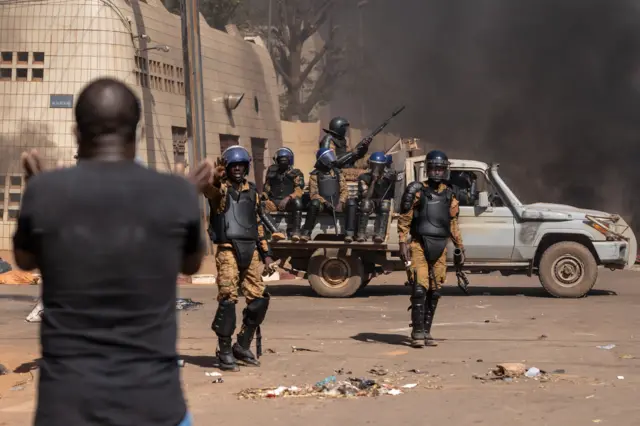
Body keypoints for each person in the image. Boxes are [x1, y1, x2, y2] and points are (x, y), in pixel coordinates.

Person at [14, 77, 211, 426]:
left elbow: (25, 261)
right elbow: (191, 263)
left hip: (66, 409)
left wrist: (41, 191)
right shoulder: (174, 195)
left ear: (77, 132)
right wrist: (184, 197)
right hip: (154, 407)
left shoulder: (45, 193)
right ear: (137, 131)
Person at [202, 145, 275, 372]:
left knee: (259, 299)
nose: (237, 170)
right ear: (228, 168)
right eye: (233, 166)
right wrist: (215, 177)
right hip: (227, 250)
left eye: (241, 166)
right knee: (228, 298)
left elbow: (257, 225)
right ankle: (224, 351)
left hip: (250, 248)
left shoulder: (252, 192)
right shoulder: (219, 191)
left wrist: (267, 255)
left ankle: (242, 345)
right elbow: (209, 189)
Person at [397, 150, 465, 348]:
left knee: (435, 291)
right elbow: (405, 219)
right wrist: (403, 242)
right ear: (427, 169)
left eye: (440, 168)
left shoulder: (450, 194)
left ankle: (427, 331)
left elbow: (453, 223)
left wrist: (460, 246)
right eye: (433, 168)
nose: (437, 171)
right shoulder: (417, 191)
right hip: (418, 244)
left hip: (441, 247)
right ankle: (417, 332)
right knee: (419, 288)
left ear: (445, 170)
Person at [301, 148, 356, 241]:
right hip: (323, 205)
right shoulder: (315, 175)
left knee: (351, 203)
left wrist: (341, 202)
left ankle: (349, 234)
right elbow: (314, 194)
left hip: (337, 202)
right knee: (314, 203)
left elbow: (345, 190)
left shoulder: (338, 173)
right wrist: (325, 203)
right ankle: (306, 233)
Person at [261, 147, 305, 241]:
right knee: (259, 205)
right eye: (280, 160)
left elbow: (299, 191)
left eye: (285, 160)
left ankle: (296, 231)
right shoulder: (271, 172)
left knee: (297, 202)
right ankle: (275, 231)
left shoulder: (296, 173)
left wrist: (288, 198)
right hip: (273, 202)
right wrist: (264, 196)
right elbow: (267, 188)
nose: (282, 163)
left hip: (288, 203)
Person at [356, 152, 397, 243]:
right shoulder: (364, 177)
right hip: (370, 202)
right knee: (365, 203)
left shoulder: (388, 177)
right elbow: (366, 196)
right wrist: (373, 182)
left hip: (383, 202)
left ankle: (380, 234)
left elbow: (395, 193)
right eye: (374, 165)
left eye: (378, 166)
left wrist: (392, 179)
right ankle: (361, 233)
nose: (376, 168)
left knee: (385, 204)